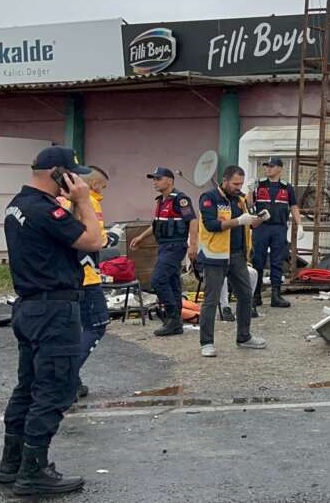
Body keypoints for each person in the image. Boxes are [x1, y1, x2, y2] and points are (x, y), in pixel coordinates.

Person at [0, 146, 103, 495]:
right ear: (57, 172)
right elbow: (92, 240)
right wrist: (84, 201)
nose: (74, 180)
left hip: (29, 307)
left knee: (27, 389)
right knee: (55, 389)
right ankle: (33, 471)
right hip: (53, 310)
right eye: (70, 174)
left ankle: (11, 466)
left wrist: (70, 204)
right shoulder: (45, 210)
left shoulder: (18, 205)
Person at [56, 166, 124, 399]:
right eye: (103, 187)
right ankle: (66, 378)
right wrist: (114, 235)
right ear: (94, 185)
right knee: (96, 326)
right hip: (87, 276)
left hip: (67, 276)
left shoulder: (60, 203)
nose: (103, 191)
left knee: (74, 330)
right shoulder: (90, 203)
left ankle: (72, 381)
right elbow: (99, 240)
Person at [197, 165, 267, 358]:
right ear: (225, 180)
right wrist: (238, 221)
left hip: (237, 255)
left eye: (241, 183)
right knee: (211, 300)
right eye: (235, 183)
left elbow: (247, 224)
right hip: (215, 256)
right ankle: (207, 342)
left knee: (246, 294)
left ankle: (244, 337)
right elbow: (211, 225)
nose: (238, 187)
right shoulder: (210, 198)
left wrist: (255, 221)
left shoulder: (240, 199)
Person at [130, 167, 198, 337]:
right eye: (154, 179)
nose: (155, 182)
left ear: (170, 180)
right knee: (173, 281)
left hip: (175, 246)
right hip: (164, 246)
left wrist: (193, 245)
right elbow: (156, 224)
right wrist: (141, 237)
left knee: (158, 280)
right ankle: (176, 322)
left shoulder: (180, 199)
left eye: (158, 179)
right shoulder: (161, 201)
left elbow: (193, 221)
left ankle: (173, 318)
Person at [250, 157, 300, 309]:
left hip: (279, 227)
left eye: (271, 166)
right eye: (267, 166)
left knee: (277, 261)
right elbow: (249, 204)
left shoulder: (287, 187)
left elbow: (294, 206)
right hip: (261, 227)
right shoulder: (259, 185)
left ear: (279, 168)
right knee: (257, 260)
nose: (268, 169)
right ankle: (255, 295)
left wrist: (300, 224)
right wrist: (250, 190)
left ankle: (276, 296)